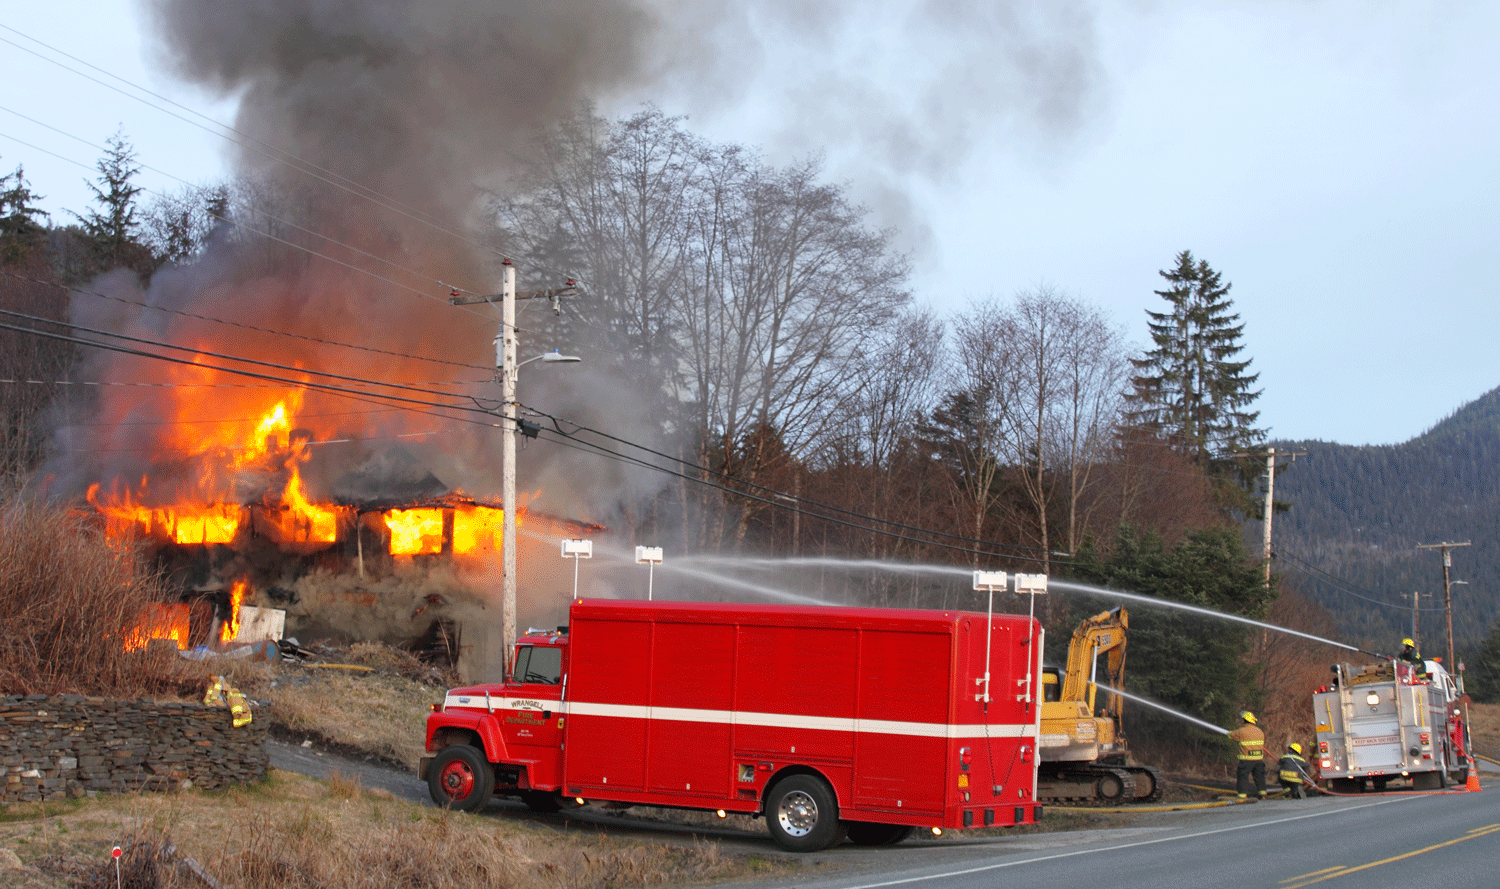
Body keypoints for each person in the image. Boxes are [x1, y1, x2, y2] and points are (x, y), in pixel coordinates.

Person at [1228, 710, 1266, 800]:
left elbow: (1231, 735)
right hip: (1259, 759)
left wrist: (1229, 733)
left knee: (1243, 776)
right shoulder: (1260, 732)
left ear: (1244, 720)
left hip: (1247, 759)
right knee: (1259, 776)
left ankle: (1242, 794)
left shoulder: (1242, 731)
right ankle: (1262, 793)